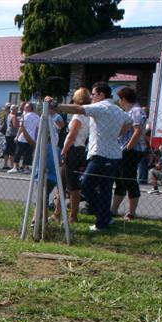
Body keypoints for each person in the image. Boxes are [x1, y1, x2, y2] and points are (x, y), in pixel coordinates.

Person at [46, 82, 131, 232]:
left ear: (101, 95)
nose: (91, 97)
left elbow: (78, 109)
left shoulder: (101, 107)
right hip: (114, 155)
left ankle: (103, 216)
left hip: (100, 154)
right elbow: (129, 121)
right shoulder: (117, 109)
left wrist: (55, 105)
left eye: (93, 94)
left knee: (85, 185)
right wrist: (118, 134)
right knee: (105, 189)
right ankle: (103, 222)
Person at [111, 86, 147, 221]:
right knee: (120, 180)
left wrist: (127, 148)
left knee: (129, 179)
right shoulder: (130, 111)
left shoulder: (136, 111)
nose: (119, 102)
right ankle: (113, 210)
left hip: (132, 151)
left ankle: (131, 213)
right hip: (123, 150)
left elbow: (137, 131)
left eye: (119, 99)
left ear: (124, 99)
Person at [60, 88, 91, 222]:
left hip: (74, 149)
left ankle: (73, 215)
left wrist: (64, 151)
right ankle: (57, 212)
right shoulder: (89, 114)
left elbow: (72, 135)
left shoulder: (78, 116)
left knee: (72, 185)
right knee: (63, 181)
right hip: (81, 149)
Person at [9, 101, 39, 174]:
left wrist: (17, 136)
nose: (24, 108)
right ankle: (25, 167)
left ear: (29, 108)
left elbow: (21, 127)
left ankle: (15, 167)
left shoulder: (25, 115)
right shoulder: (37, 116)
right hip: (31, 139)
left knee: (18, 152)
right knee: (28, 154)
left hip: (22, 137)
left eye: (26, 107)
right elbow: (38, 128)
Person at [3, 105, 20, 169]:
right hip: (12, 135)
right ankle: (12, 165)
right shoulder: (13, 116)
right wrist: (20, 126)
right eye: (16, 109)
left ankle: (5, 164)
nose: (17, 111)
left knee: (7, 150)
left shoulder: (9, 115)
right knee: (12, 151)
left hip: (8, 134)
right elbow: (15, 125)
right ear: (14, 110)